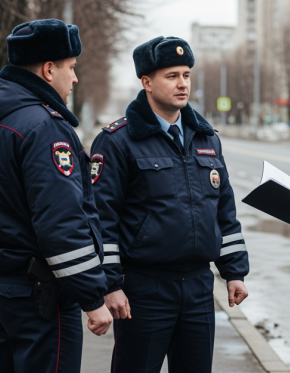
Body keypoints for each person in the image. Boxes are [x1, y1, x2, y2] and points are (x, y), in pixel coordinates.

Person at [90, 36, 249, 373]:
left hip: (198, 287)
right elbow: (102, 219)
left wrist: (234, 271)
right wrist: (111, 285)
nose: (182, 84)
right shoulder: (118, 141)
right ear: (146, 82)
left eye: (186, 75)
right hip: (144, 289)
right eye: (171, 75)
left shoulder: (206, 139)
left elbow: (223, 212)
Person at [0, 19, 113, 373]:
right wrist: (92, 299)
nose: (75, 78)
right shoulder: (44, 127)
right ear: (49, 69)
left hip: (2, 287)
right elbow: (61, 222)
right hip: (41, 293)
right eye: (71, 67)